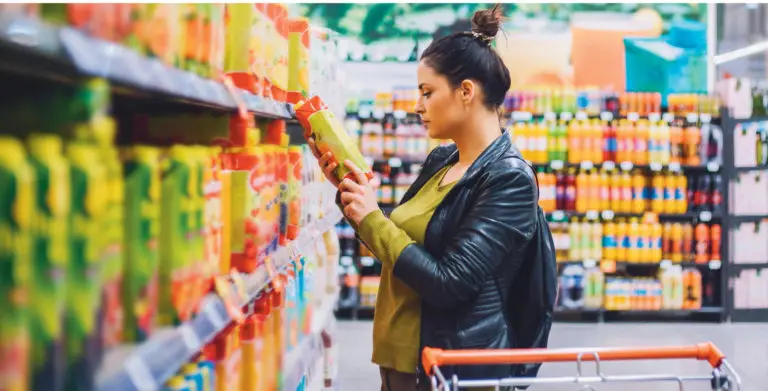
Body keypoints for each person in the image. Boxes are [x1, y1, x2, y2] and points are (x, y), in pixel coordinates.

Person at [309, 5, 555, 391]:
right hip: (400, 363)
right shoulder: (443, 160)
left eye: (427, 92)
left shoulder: (509, 179)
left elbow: (450, 282)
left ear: (467, 92)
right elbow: (402, 247)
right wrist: (352, 195)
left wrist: (373, 218)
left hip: (449, 370)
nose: (417, 105)